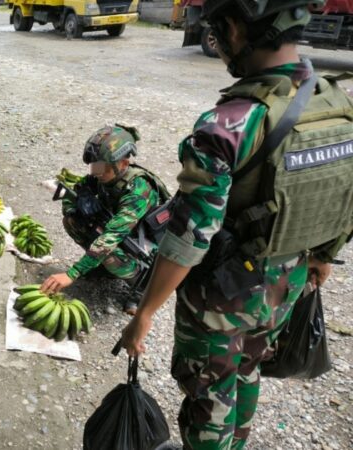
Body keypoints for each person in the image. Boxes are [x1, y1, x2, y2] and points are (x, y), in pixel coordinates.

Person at [120, 1, 353, 448]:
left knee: (209, 392)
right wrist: (324, 255)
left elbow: (188, 239)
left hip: (224, 295)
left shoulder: (229, 124)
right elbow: (343, 194)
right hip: (288, 281)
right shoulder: (335, 102)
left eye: (217, 29)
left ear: (234, 29)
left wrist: (144, 314)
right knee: (247, 368)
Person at [41, 125, 170, 314]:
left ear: (124, 163)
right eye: (95, 166)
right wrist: (76, 206)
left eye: (103, 168)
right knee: (74, 221)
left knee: (107, 252)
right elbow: (73, 193)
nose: (97, 172)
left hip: (146, 252)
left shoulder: (138, 191)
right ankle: (103, 267)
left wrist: (72, 273)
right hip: (122, 235)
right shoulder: (103, 175)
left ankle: (143, 289)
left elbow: (111, 237)